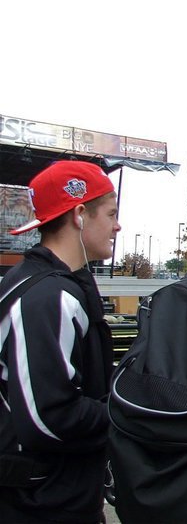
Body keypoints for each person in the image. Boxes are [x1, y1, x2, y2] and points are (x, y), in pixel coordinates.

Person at [0, 160, 119, 522]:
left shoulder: (51, 284)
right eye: (111, 213)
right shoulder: (48, 296)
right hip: (41, 505)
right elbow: (48, 418)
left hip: (55, 496)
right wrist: (128, 411)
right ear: (80, 214)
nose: (117, 225)